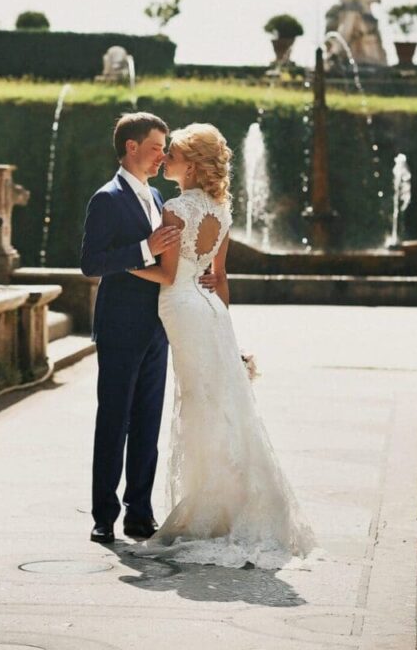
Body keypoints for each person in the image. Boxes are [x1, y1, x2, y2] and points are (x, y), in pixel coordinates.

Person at [126, 123, 316, 569]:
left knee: (201, 405)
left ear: (190, 165)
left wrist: (122, 265)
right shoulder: (222, 211)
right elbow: (221, 277)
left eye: (171, 154)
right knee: (222, 404)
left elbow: (169, 275)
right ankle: (232, 504)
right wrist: (224, 329)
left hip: (183, 307)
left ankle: (213, 510)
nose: (164, 159)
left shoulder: (175, 207)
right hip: (211, 311)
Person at [80, 113, 180, 545]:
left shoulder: (158, 197)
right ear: (132, 148)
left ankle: (140, 513)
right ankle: (104, 515)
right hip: (120, 327)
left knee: (146, 424)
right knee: (114, 421)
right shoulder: (105, 198)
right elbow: (91, 263)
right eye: (157, 146)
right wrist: (145, 248)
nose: (164, 154)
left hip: (156, 328)